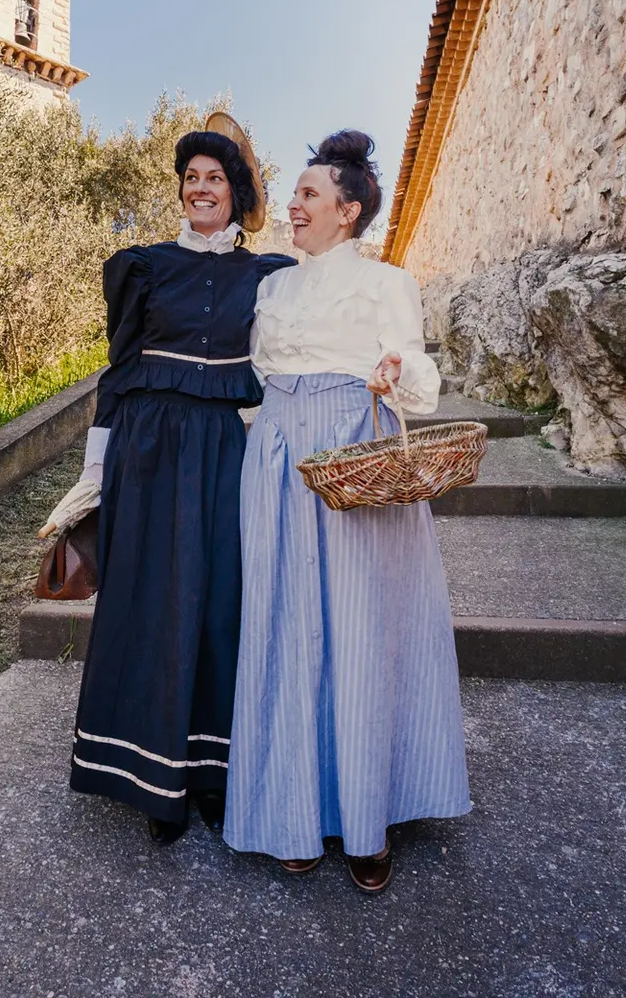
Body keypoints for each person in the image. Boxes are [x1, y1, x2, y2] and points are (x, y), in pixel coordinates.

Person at [223, 130, 470, 893]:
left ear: (347, 208)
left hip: (355, 453)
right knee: (283, 622)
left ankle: (368, 818)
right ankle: (292, 811)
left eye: (307, 195)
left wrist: (396, 368)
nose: (291, 206)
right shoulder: (272, 289)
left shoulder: (389, 283)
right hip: (275, 454)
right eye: (295, 195)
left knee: (364, 626)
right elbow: (263, 374)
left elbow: (419, 374)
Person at [39, 123, 294, 844]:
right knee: (154, 601)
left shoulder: (266, 276)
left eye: (214, 178)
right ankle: (154, 782)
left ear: (235, 192)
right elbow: (117, 376)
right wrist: (93, 471)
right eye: (191, 179)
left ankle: (211, 774)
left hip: (222, 448)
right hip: (148, 450)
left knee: (219, 601)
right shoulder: (142, 267)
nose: (200, 189)